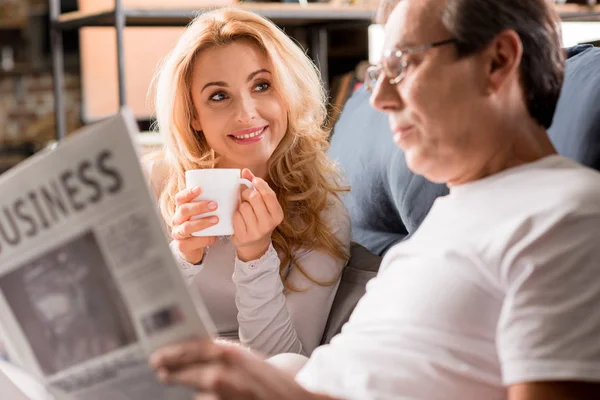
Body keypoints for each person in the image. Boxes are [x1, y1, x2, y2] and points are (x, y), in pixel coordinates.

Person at [148, 0, 600, 399]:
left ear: (497, 61)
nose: (378, 99)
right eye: (377, 73)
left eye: (402, 64)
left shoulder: (564, 216)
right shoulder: (447, 218)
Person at [145, 8, 351, 357]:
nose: (246, 113)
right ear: (194, 116)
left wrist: (255, 256)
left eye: (262, 85)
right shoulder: (155, 181)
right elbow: (130, 335)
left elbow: (286, 363)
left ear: (287, 94)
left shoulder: (323, 211)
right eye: (219, 96)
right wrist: (184, 256)